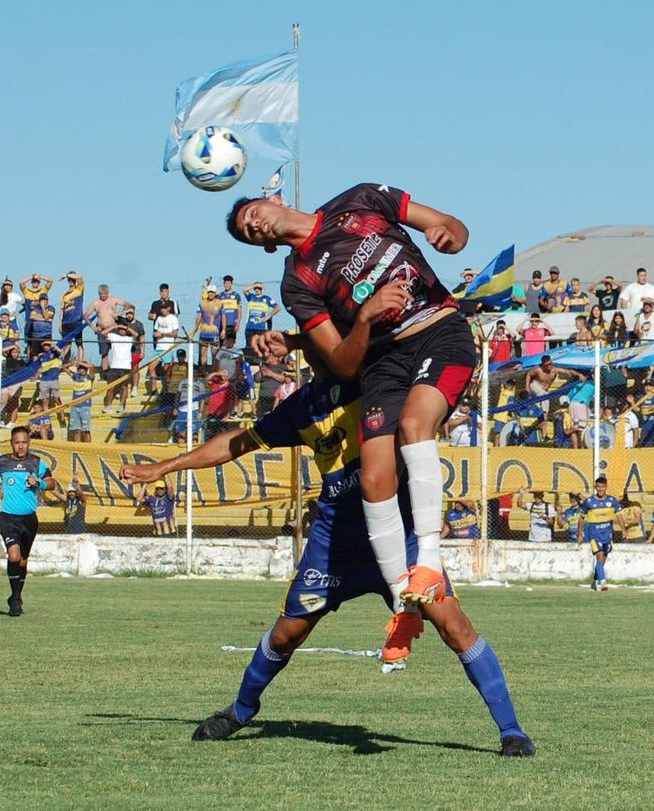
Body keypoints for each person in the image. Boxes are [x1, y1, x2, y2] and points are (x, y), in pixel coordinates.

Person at [119, 373, 533, 756]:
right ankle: (240, 711)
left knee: (453, 625)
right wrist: (166, 466)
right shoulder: (302, 406)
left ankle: (512, 731)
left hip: (399, 537)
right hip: (336, 545)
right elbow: (238, 442)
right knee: (285, 636)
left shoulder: (378, 378)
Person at [230, 183, 476, 614]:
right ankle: (404, 606)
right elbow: (342, 364)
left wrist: (449, 237)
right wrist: (363, 317)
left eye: (252, 214)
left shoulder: (359, 200)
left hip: (438, 330)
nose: (255, 225)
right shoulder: (297, 282)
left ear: (274, 200)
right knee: (373, 478)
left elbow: (450, 226)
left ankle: (430, 565)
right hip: (382, 360)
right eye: (250, 233)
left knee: (415, 425)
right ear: (264, 247)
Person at [0, 425, 60, 617]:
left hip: (29, 520)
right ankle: (16, 599)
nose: (20, 446)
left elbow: (52, 482)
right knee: (14, 556)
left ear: (29, 443)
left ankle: (16, 596)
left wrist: (40, 483)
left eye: (24, 442)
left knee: (23, 561)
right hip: (8, 518)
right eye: (17, 442)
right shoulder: (2, 462)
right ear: (11, 443)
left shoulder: (36, 463)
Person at [579, 476, 621, 591]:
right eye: (598, 487)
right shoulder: (589, 502)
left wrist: (624, 529)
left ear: (606, 487)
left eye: (603, 486)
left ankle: (595, 581)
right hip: (594, 536)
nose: (600, 489)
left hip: (607, 536)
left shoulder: (612, 501)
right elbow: (581, 518)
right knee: (599, 557)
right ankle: (603, 583)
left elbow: (619, 515)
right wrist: (580, 534)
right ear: (595, 487)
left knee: (602, 561)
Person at [83, 284, 130, 370]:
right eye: (101, 294)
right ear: (98, 293)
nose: (103, 295)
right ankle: (104, 373)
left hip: (114, 329)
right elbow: (86, 315)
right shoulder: (96, 303)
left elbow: (127, 305)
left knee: (118, 351)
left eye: (105, 293)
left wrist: (119, 313)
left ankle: (118, 370)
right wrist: (93, 327)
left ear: (108, 293)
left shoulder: (113, 300)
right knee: (104, 353)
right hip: (102, 330)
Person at [66, 360, 96, 442]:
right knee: (76, 430)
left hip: (85, 407)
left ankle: (88, 448)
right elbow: (64, 368)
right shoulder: (75, 376)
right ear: (78, 370)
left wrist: (80, 363)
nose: (82, 370)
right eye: (81, 369)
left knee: (86, 430)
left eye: (84, 368)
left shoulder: (90, 377)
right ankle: (77, 447)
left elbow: (92, 366)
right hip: (74, 407)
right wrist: (72, 363)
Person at [194, 284, 222, 369]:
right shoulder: (202, 304)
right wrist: (196, 327)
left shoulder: (219, 304)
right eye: (209, 292)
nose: (211, 294)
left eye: (212, 292)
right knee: (203, 352)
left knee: (215, 354)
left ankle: (214, 372)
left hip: (214, 333)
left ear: (215, 293)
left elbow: (223, 317)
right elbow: (199, 316)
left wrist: (223, 329)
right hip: (204, 333)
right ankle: (204, 372)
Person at [59, 272, 86, 361]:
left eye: (72, 279)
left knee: (79, 344)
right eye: (69, 280)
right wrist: (60, 324)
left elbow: (80, 276)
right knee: (67, 345)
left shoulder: (79, 290)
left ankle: (80, 363)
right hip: (66, 322)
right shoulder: (64, 294)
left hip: (76, 321)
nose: (71, 281)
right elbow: (61, 310)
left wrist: (67, 275)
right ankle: (66, 363)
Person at [217, 275, 243, 348]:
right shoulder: (220, 295)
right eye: (225, 283)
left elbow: (240, 311)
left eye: (228, 283)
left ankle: (230, 359)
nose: (227, 285)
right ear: (223, 284)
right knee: (222, 346)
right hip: (222, 325)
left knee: (230, 345)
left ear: (231, 284)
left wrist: (238, 324)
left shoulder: (236, 295)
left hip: (232, 325)